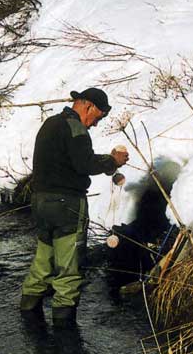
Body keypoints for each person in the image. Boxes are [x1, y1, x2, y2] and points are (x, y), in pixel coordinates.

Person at [20, 87, 129, 325]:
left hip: (40, 202)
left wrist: (105, 164)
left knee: (43, 261)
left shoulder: (51, 124)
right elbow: (84, 164)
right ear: (88, 106)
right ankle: (65, 334)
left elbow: (67, 161)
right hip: (66, 205)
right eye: (98, 117)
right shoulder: (76, 128)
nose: (96, 124)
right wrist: (113, 161)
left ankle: (28, 315)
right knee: (70, 268)